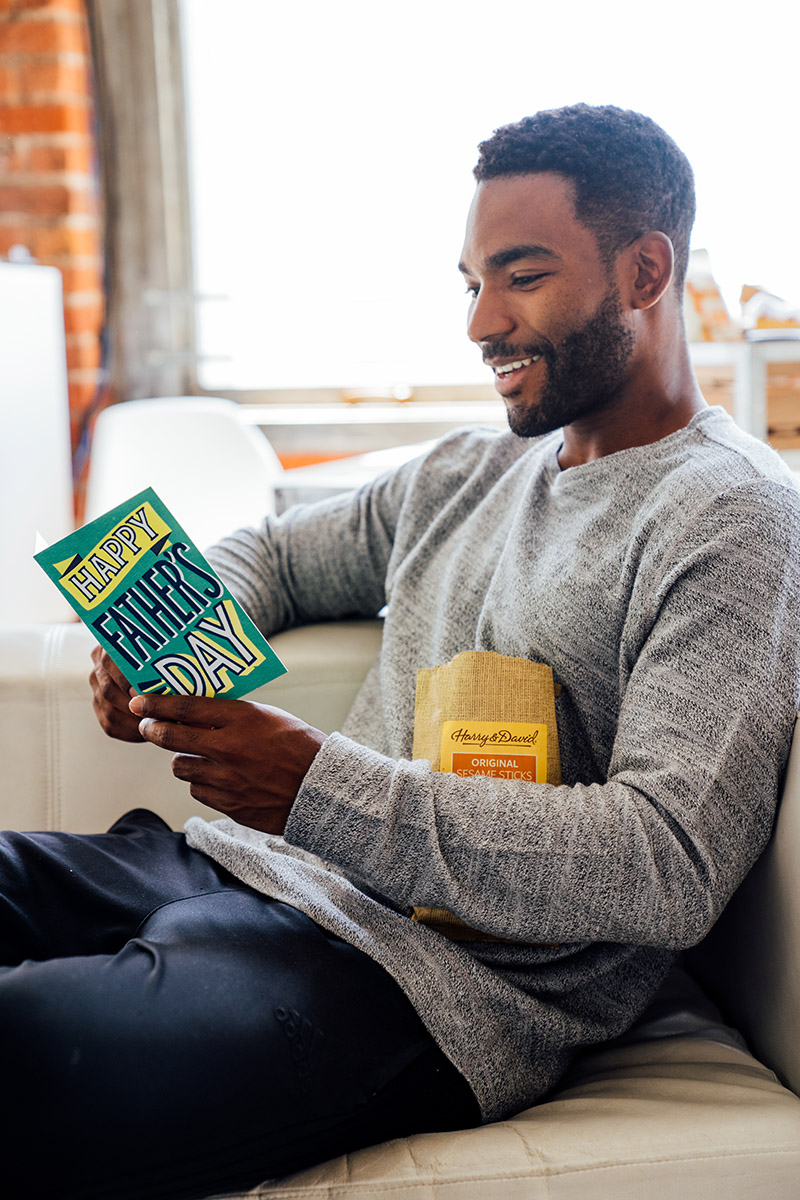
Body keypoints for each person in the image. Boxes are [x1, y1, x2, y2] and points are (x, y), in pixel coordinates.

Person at [4, 103, 800, 1200]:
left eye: (520, 276)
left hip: (417, 985)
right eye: (469, 281)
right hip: (239, 868)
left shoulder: (734, 518)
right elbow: (272, 553)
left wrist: (313, 785)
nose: (481, 322)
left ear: (644, 273)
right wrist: (170, 633)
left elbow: (663, 865)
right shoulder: (458, 474)